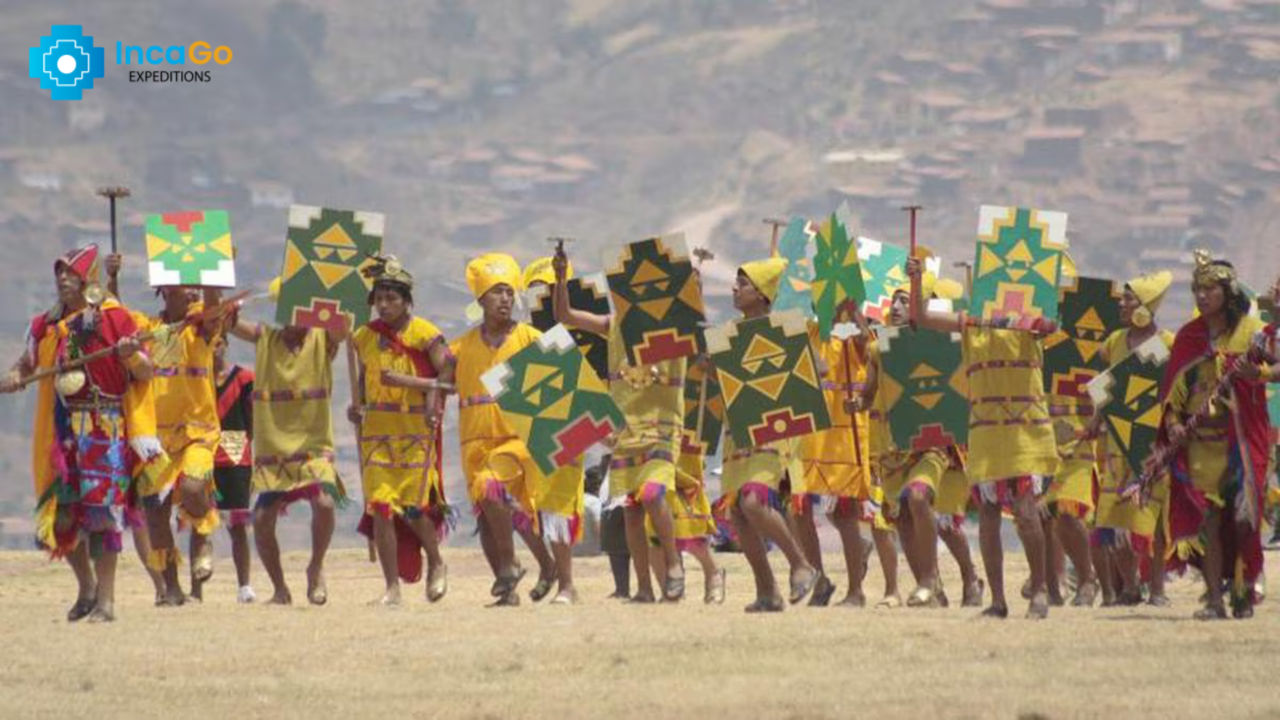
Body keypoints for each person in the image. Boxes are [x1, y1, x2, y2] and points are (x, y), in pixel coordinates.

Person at [0, 245, 155, 622]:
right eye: (59, 273)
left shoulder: (116, 319)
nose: (62, 279)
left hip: (106, 428)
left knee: (103, 517)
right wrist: (15, 377)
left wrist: (128, 355)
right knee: (62, 517)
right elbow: (27, 363)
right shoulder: (45, 326)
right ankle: (86, 588)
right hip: (62, 432)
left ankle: (107, 602)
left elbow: (146, 372)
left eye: (70, 273)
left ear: (89, 281)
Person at [910, 255, 1060, 619]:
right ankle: (997, 600)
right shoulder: (970, 324)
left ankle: (1040, 590)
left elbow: (1051, 324)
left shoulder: (1028, 323)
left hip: (1026, 431)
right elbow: (923, 319)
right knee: (990, 513)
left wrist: (1026, 309)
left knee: (1026, 512)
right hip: (986, 433)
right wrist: (915, 282)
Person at [551, 248, 686, 603]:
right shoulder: (613, 326)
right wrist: (561, 276)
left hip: (661, 428)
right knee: (630, 510)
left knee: (653, 494)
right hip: (626, 434)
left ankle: (673, 565)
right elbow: (563, 315)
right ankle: (643, 589)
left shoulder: (673, 329)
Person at [1158, 251, 1270, 620]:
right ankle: (1213, 599)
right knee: (1206, 520)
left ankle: (1241, 586)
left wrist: (1261, 376)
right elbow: (1173, 390)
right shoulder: (1189, 337)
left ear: (1228, 292)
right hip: (1200, 446)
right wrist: (1174, 423)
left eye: (1210, 289)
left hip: (1242, 441)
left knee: (1241, 519)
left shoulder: (1253, 333)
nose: (1202, 295)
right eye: (1197, 289)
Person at [450, 253, 558, 606]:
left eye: (510, 292)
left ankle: (511, 565)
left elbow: (563, 390)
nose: (506, 299)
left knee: (491, 488)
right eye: (497, 292)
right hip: (473, 443)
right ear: (481, 299)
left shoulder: (529, 337)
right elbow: (436, 381)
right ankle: (518, 584)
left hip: (518, 441)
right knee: (488, 514)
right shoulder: (462, 347)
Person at [228, 284, 347, 606]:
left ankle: (316, 568)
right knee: (263, 520)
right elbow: (232, 325)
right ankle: (280, 589)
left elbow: (343, 330)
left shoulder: (323, 340)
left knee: (324, 503)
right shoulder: (265, 338)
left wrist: (341, 287)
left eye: (304, 309)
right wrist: (228, 310)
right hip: (275, 450)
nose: (298, 317)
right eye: (292, 309)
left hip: (313, 442)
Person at [348, 256, 453, 606]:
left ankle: (437, 562)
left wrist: (407, 381)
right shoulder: (363, 337)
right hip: (376, 431)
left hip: (415, 430)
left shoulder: (425, 333)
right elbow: (364, 381)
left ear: (407, 300)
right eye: (379, 298)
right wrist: (357, 406)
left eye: (392, 298)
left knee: (412, 507)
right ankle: (391, 588)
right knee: (380, 506)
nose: (384, 304)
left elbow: (448, 383)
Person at [874, 279, 983, 608]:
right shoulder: (880, 346)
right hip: (894, 447)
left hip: (938, 445)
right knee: (904, 516)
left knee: (929, 508)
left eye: (905, 301)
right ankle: (931, 587)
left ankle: (962, 577)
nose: (895, 308)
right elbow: (871, 394)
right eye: (893, 301)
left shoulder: (948, 344)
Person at [718, 258, 818, 612]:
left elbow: (816, 369)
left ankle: (801, 564)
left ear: (762, 294)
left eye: (742, 283)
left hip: (773, 430)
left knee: (753, 500)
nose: (734, 289)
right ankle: (767, 592)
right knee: (739, 516)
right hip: (737, 432)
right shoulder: (728, 332)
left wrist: (788, 355)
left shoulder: (785, 328)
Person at [135, 283, 225, 605]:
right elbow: (114, 318)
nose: (192, 292)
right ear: (163, 289)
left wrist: (213, 273)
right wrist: (113, 278)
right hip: (153, 439)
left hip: (198, 433)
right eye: (185, 285)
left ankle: (203, 536)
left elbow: (214, 307)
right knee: (156, 516)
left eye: (195, 286)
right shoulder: (145, 329)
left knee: (191, 489)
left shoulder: (201, 326)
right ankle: (172, 589)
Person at [1089, 271, 1174, 607]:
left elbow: (1173, 391)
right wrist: (1095, 420)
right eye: (1123, 298)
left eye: (1129, 299)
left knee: (1149, 518)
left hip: (1152, 443)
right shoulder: (1113, 342)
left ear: (1147, 305)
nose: (1122, 304)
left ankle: (1158, 590)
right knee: (1115, 515)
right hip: (1115, 442)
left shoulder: (1168, 343)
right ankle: (1130, 586)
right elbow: (1107, 388)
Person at [794, 299, 873, 608]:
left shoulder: (853, 332)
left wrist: (854, 313)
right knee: (797, 508)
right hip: (808, 429)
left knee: (844, 511)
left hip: (843, 429)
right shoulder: (807, 330)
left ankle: (856, 592)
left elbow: (867, 347)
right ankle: (820, 581)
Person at [213, 337, 257, 603]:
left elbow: (252, 419)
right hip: (203, 446)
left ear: (226, 344)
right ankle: (197, 588)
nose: (214, 348)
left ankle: (244, 585)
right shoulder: (196, 378)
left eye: (219, 342)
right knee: (199, 522)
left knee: (237, 523)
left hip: (234, 446)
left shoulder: (244, 377)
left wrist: (242, 446)